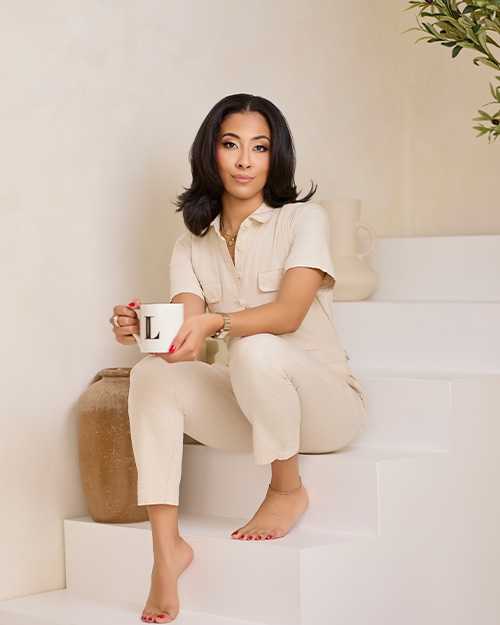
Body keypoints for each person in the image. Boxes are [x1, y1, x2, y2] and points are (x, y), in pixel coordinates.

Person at [110, 93, 366, 624]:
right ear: (212, 153)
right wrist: (145, 332)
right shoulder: (191, 245)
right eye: (231, 145)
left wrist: (218, 323)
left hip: (326, 407)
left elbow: (291, 313)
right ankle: (166, 552)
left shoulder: (302, 221)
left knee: (254, 346)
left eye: (260, 147)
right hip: (252, 407)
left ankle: (286, 488)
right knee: (151, 373)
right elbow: (188, 340)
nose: (245, 160)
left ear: (276, 158)